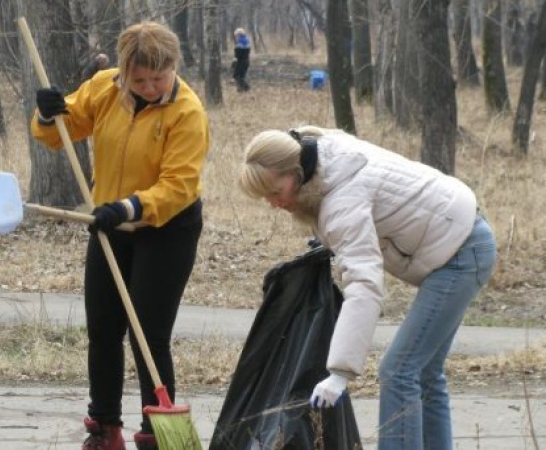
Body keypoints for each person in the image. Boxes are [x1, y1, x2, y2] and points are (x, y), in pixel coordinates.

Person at [238, 126, 497, 450]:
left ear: (296, 172)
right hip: (463, 231)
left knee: (399, 370)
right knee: (425, 373)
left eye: (276, 192)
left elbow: (364, 284)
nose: (274, 203)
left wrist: (340, 372)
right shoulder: (315, 150)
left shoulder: (341, 201)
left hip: (460, 254)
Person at [31, 21, 209, 450]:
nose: (149, 87)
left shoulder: (187, 112)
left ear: (173, 67)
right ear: (124, 72)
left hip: (166, 228)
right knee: (104, 329)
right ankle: (105, 427)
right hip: (110, 226)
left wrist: (128, 207)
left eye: (158, 78)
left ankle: (156, 433)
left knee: (149, 333)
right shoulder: (104, 89)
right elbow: (61, 133)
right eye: (139, 79)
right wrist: (47, 112)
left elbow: (178, 185)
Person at [232, 28, 251, 92]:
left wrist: (234, 62)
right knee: (242, 76)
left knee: (237, 76)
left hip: (240, 62)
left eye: (236, 36)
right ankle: (241, 89)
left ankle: (246, 87)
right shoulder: (247, 41)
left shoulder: (239, 43)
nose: (235, 37)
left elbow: (237, 55)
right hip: (246, 61)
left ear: (239, 35)